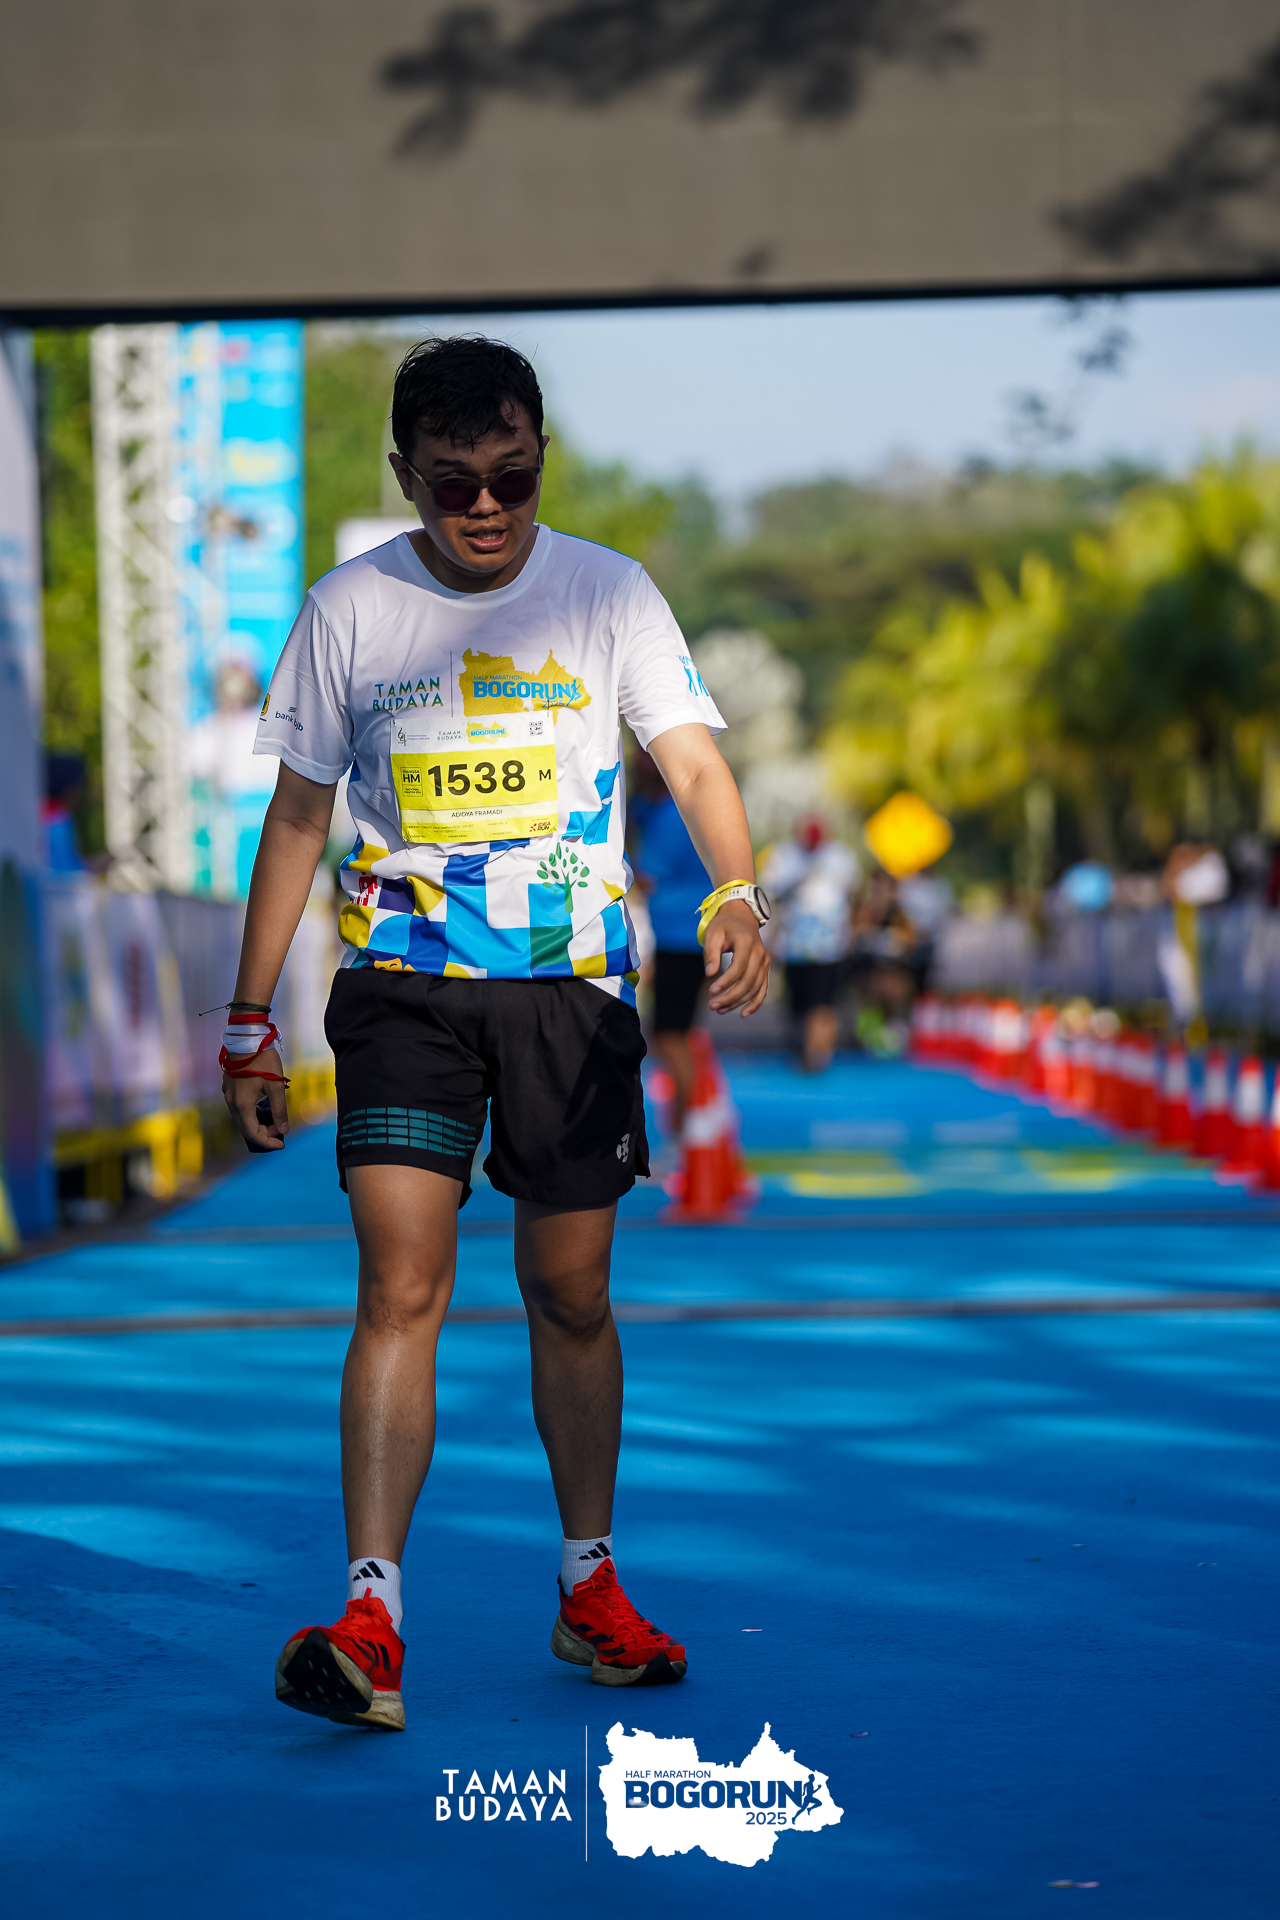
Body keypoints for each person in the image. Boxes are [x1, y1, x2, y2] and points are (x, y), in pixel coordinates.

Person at [222, 336, 770, 1732]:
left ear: (540, 464)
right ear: (403, 472)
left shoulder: (607, 591)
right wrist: (248, 1018)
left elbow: (691, 758)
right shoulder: (349, 610)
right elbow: (296, 818)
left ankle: (589, 1586)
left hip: (570, 994)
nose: (485, 508)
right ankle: (371, 1618)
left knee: (569, 1293)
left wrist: (736, 889)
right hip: (403, 991)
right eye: (453, 481)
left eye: (512, 479)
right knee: (400, 1284)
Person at [629, 746, 714, 1138]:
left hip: (679, 938)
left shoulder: (668, 818)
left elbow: (647, 877)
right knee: (677, 1036)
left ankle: (687, 1134)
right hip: (688, 936)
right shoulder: (676, 811)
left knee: (671, 1038)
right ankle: (688, 1132)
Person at [761, 817, 858, 1073]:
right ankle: (801, 1047)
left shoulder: (840, 858)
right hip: (794, 946)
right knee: (797, 1003)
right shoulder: (783, 856)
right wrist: (771, 936)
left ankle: (817, 1054)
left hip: (828, 947)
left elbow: (852, 897)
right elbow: (773, 897)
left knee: (822, 1002)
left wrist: (851, 933)